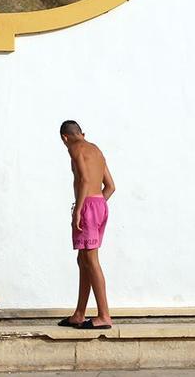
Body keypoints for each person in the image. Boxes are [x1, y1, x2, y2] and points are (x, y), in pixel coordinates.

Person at [57, 120, 116, 330]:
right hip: (100, 204)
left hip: (88, 206)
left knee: (91, 260)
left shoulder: (75, 148)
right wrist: (97, 206)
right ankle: (79, 314)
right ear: (82, 133)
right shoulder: (96, 150)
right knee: (83, 260)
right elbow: (110, 186)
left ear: (65, 137)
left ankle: (104, 316)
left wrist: (80, 210)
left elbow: (82, 180)